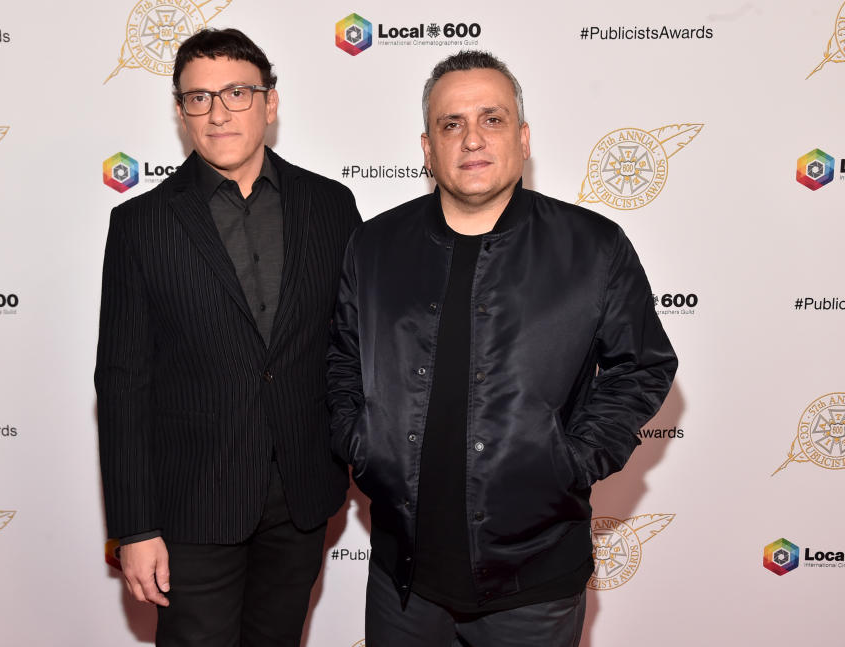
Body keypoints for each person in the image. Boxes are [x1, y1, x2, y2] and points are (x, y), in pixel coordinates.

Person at [327, 50, 677, 646]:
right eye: (451, 123)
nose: (472, 139)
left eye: (492, 119)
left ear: (523, 136)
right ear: (427, 147)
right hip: (401, 579)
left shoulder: (593, 247)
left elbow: (641, 367)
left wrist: (573, 460)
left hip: (534, 579)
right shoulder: (374, 245)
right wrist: (362, 444)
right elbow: (340, 358)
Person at [95, 28, 360, 647]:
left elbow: (353, 345)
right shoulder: (141, 224)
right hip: (191, 501)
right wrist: (133, 528)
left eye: (237, 92)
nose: (218, 112)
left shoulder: (331, 205)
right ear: (181, 111)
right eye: (198, 98)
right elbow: (122, 380)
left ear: (270, 102)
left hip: (301, 492)